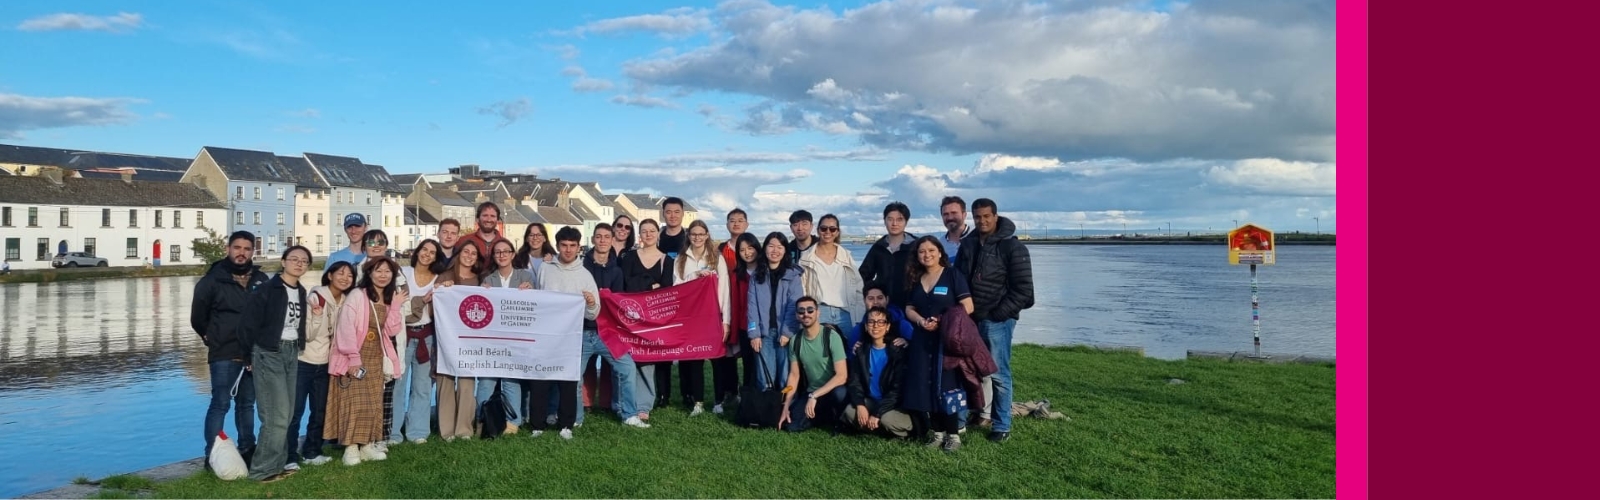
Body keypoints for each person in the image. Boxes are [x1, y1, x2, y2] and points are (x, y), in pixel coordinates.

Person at [954, 198, 1034, 443]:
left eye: (987, 216)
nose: (982, 221)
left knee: (998, 374)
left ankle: (1001, 425)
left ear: (995, 216)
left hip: (997, 320)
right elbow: (959, 278)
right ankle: (962, 420)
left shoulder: (1013, 247)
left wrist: (998, 314)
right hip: (970, 318)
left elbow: (1024, 291)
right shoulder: (968, 244)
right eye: (978, 217)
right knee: (966, 370)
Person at [192, 231, 269, 463]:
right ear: (228, 249)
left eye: (247, 249)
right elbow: (198, 317)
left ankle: (248, 449)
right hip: (224, 351)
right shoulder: (212, 280)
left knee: (246, 404)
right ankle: (213, 454)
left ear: (252, 252)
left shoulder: (261, 280)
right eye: (237, 248)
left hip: (253, 353)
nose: (241, 253)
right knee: (220, 403)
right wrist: (212, 337)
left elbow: (268, 314)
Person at [326, 256, 407, 466]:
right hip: (355, 354)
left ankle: (368, 445)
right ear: (369, 273)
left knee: (373, 403)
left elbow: (392, 330)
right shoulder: (357, 295)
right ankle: (351, 448)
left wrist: (396, 306)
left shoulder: (389, 298)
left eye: (387, 271)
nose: (383, 275)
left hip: (376, 356)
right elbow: (345, 327)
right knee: (355, 402)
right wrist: (353, 358)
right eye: (378, 271)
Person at [240, 245, 312, 483]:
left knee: (287, 413)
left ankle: (277, 465)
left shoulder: (300, 291)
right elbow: (247, 324)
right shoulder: (267, 289)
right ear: (283, 262)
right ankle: (262, 471)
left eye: (304, 261)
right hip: (269, 351)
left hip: (291, 351)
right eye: (294, 259)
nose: (299, 263)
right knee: (275, 415)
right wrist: (248, 357)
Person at [902, 236, 974, 452]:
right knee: (927, 385)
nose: (927, 255)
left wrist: (942, 320)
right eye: (922, 251)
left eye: (931, 250)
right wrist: (921, 321)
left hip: (947, 340)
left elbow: (968, 306)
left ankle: (953, 435)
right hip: (922, 340)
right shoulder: (916, 278)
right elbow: (909, 308)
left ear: (940, 252)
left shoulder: (952, 275)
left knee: (947, 386)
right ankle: (937, 433)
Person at [532, 226, 601, 439]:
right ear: (557, 245)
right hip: (546, 334)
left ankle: (566, 425)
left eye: (572, 245)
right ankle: (537, 425)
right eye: (564, 245)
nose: (568, 250)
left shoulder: (585, 275)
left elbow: (593, 313)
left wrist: (591, 303)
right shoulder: (545, 268)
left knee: (568, 382)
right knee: (541, 379)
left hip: (571, 337)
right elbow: (537, 298)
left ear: (579, 247)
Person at [289, 260, 355, 467]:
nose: (345, 278)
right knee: (295, 411)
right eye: (340, 273)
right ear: (330, 275)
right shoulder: (315, 298)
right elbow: (307, 335)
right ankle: (289, 456)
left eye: (350, 275)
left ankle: (312, 451)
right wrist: (317, 317)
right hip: (304, 361)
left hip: (327, 363)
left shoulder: (346, 302)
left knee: (319, 411)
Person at [580, 223, 646, 428]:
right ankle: (572, 416)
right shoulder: (580, 267)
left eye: (606, 237)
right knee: (573, 374)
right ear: (593, 239)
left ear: (611, 240)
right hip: (583, 331)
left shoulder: (617, 271)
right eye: (598, 236)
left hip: (606, 333)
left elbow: (617, 302)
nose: (602, 240)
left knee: (627, 368)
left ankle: (629, 414)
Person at [670, 220, 731, 416]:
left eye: (701, 234)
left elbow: (725, 290)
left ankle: (719, 401)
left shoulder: (716, 257)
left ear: (707, 235)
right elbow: (676, 288)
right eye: (693, 234)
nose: (697, 237)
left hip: (713, 316)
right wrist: (694, 276)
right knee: (695, 360)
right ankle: (698, 402)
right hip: (691, 317)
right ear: (688, 236)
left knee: (717, 360)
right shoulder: (680, 259)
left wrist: (726, 320)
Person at [619, 219, 674, 422]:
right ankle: (625, 402)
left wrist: (643, 285)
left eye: (652, 231)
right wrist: (651, 285)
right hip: (631, 317)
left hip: (654, 319)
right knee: (628, 361)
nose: (648, 234)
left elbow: (666, 288)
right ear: (639, 235)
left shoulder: (666, 260)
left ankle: (643, 405)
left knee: (647, 361)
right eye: (644, 231)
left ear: (658, 234)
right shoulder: (629, 257)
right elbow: (626, 284)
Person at [479, 238, 535, 435]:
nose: (502, 255)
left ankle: (513, 422)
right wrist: (482, 293)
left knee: (511, 380)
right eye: (498, 252)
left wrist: (530, 291)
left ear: (512, 254)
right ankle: (482, 419)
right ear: (494, 256)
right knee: (486, 379)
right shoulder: (488, 280)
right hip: (492, 339)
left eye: (506, 251)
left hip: (516, 339)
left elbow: (537, 304)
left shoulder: (525, 276)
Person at [393, 239, 446, 445]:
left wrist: (447, 288)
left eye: (432, 252)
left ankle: (417, 432)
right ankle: (393, 432)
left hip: (427, 335)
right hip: (402, 335)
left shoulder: (439, 280)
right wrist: (422, 300)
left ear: (436, 257)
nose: (427, 254)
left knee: (422, 386)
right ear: (417, 251)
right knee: (397, 384)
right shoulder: (403, 274)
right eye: (424, 249)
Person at [433, 241, 483, 441]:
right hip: (446, 339)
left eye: (473, 253)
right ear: (458, 254)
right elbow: (434, 308)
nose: (469, 256)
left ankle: (464, 429)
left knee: (466, 384)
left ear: (477, 258)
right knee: (445, 381)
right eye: (466, 251)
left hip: (469, 342)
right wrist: (440, 290)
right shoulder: (445, 277)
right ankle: (446, 430)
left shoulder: (480, 280)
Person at [778, 296, 849, 433]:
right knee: (792, 425)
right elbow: (794, 375)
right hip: (811, 392)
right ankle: (823, 415)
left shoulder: (831, 337)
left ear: (818, 312)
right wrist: (786, 406)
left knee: (840, 394)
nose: (806, 314)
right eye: (801, 311)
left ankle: (838, 419)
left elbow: (842, 376)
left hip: (832, 390)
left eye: (810, 310)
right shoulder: (795, 341)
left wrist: (814, 395)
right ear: (797, 315)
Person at [843, 306, 914, 438]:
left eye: (881, 322)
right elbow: (854, 382)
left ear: (887, 327)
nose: (875, 326)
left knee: (886, 419)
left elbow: (897, 391)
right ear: (866, 326)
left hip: (893, 405)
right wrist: (860, 405)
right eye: (871, 322)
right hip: (872, 400)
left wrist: (877, 413)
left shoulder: (897, 351)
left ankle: (895, 428)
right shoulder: (861, 350)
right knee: (850, 412)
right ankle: (879, 429)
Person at [748, 232, 803, 391]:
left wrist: (787, 332)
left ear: (785, 250)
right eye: (771, 246)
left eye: (780, 247)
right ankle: (768, 405)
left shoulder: (793, 275)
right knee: (765, 378)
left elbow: (794, 305)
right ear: (765, 248)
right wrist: (754, 334)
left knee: (786, 377)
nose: (775, 250)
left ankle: (787, 406)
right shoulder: (756, 276)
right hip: (764, 334)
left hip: (785, 333)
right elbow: (752, 307)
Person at [799, 213, 865, 334]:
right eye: (824, 228)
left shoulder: (846, 257)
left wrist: (860, 316)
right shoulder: (806, 258)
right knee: (819, 346)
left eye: (832, 229)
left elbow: (858, 288)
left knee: (848, 345)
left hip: (845, 313)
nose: (828, 232)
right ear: (818, 231)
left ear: (837, 232)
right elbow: (802, 290)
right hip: (819, 312)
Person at [713, 209, 751, 411]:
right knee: (725, 351)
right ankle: (730, 391)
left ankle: (749, 393)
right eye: (732, 220)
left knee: (748, 352)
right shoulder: (720, 250)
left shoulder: (752, 248)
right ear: (727, 224)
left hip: (747, 305)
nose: (736, 223)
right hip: (727, 305)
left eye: (740, 220)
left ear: (747, 224)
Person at [860, 202, 917, 308]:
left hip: (911, 305)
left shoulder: (916, 246)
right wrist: (874, 294)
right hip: (883, 306)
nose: (894, 223)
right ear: (884, 221)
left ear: (906, 222)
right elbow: (863, 275)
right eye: (890, 219)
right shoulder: (879, 247)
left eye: (899, 219)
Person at [849, 282, 914, 351]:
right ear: (864, 301)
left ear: (887, 299)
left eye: (880, 298)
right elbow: (850, 354)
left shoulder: (901, 325)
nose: (875, 302)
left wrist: (907, 343)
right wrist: (855, 352)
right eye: (871, 298)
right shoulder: (859, 330)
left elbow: (917, 348)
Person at [939, 196, 971, 265]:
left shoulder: (977, 238)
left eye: (954, 213)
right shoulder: (939, 245)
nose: (950, 218)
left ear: (964, 215)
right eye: (945, 214)